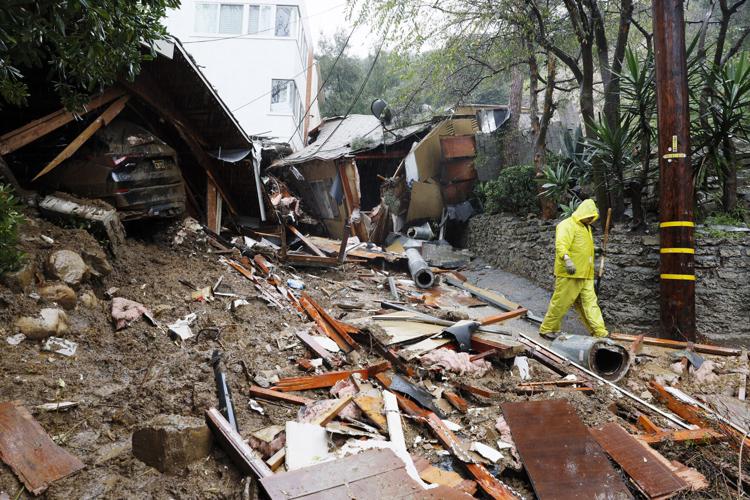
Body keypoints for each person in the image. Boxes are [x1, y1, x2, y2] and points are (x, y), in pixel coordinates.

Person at [539, 198, 608, 339]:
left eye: (592, 217)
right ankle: (547, 329)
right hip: (570, 273)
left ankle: (600, 332)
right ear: (583, 212)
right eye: (588, 217)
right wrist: (567, 259)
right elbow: (561, 245)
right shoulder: (566, 225)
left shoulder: (586, 227)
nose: (590, 220)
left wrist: (595, 250)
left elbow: (581, 247)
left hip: (586, 274)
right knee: (561, 303)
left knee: (590, 305)